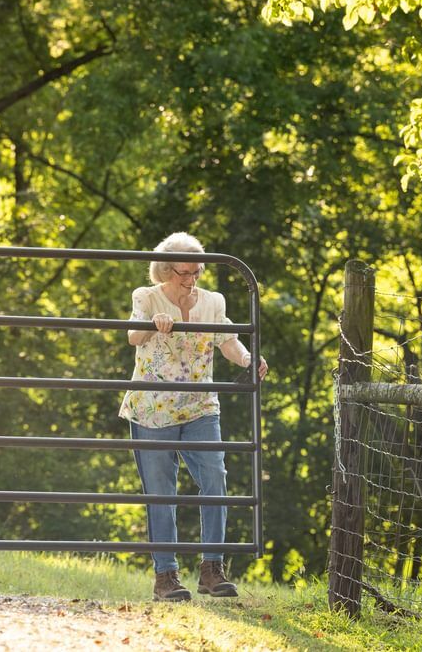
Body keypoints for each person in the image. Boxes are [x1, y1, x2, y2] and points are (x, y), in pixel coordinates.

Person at [120, 232, 268, 602]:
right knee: (161, 494)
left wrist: (249, 358)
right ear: (165, 269)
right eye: (183, 273)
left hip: (201, 407)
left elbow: (228, 340)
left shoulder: (213, 302)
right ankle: (166, 575)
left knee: (216, 481)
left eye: (196, 272)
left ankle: (211, 569)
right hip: (153, 409)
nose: (190, 279)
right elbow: (133, 336)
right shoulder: (147, 296)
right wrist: (154, 322)